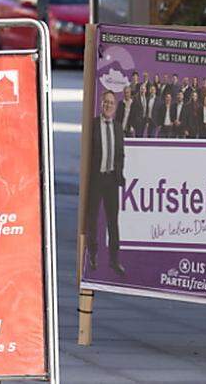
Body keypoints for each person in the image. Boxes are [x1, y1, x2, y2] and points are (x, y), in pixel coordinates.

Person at [86, 91, 126, 275]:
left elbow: (120, 154)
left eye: (111, 103)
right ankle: (92, 256)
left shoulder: (118, 127)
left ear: (115, 106)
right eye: (106, 102)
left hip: (111, 179)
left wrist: (120, 174)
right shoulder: (93, 125)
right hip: (96, 178)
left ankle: (114, 260)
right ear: (101, 104)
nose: (108, 105)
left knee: (113, 221)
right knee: (92, 219)